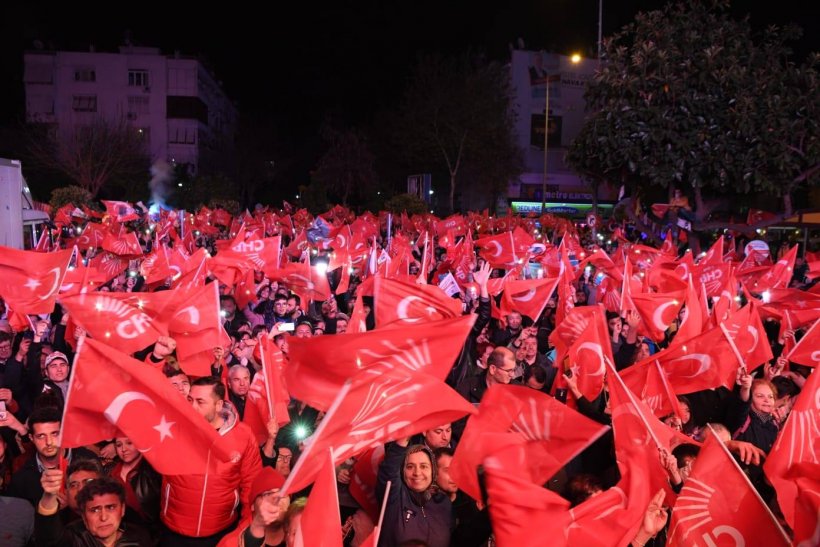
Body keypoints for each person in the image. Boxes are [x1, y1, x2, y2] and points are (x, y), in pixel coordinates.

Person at [160, 376, 262, 546]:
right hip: (174, 530)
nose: (192, 407)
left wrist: (246, 526)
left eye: (200, 402)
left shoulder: (243, 436)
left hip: (219, 532)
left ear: (219, 405)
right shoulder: (172, 428)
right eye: (190, 399)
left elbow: (251, 485)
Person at [34, 475, 151, 546]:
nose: (103, 517)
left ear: (123, 509)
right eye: (94, 510)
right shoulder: (74, 538)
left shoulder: (140, 538)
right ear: (84, 516)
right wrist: (49, 496)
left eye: (111, 508)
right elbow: (48, 539)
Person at [376, 438, 451, 547]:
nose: (417, 473)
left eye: (424, 466)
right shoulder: (395, 497)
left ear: (433, 471)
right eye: (410, 467)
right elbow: (389, 472)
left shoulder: (444, 503)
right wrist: (402, 440)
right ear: (402, 471)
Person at [216, 468, 290, 547]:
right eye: (268, 494)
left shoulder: (299, 532)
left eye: (282, 493)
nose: (277, 499)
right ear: (252, 506)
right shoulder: (230, 544)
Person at [112, 436, 161, 536]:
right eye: (119, 445)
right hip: (118, 535)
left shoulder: (155, 471)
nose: (124, 449)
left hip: (151, 536)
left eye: (129, 443)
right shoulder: (109, 471)